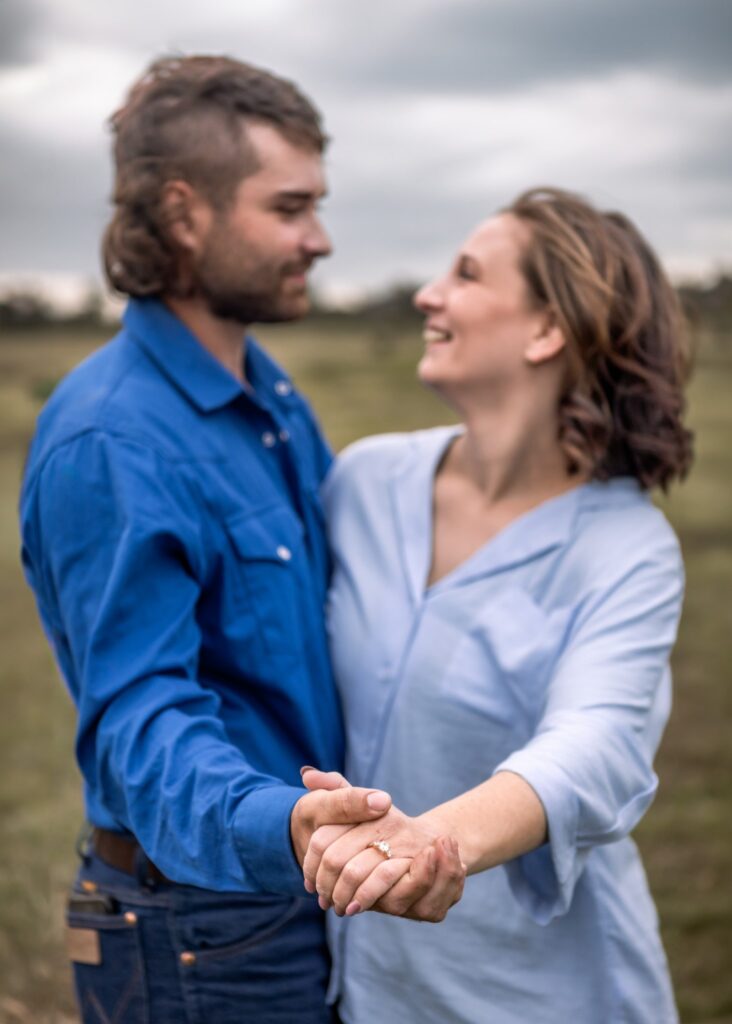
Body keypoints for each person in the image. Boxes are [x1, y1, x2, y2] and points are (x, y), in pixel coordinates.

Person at [19, 55, 462, 1024]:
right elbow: (141, 724)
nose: (321, 239)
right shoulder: (112, 440)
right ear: (186, 214)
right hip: (201, 928)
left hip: (303, 892)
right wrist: (290, 826)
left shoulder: (271, 400)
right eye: (291, 207)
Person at [303, 187, 693, 1023]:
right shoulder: (364, 482)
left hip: (548, 996)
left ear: (548, 330)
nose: (426, 294)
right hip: (371, 992)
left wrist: (431, 843)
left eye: (467, 275)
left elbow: (599, 743)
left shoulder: (625, 548)